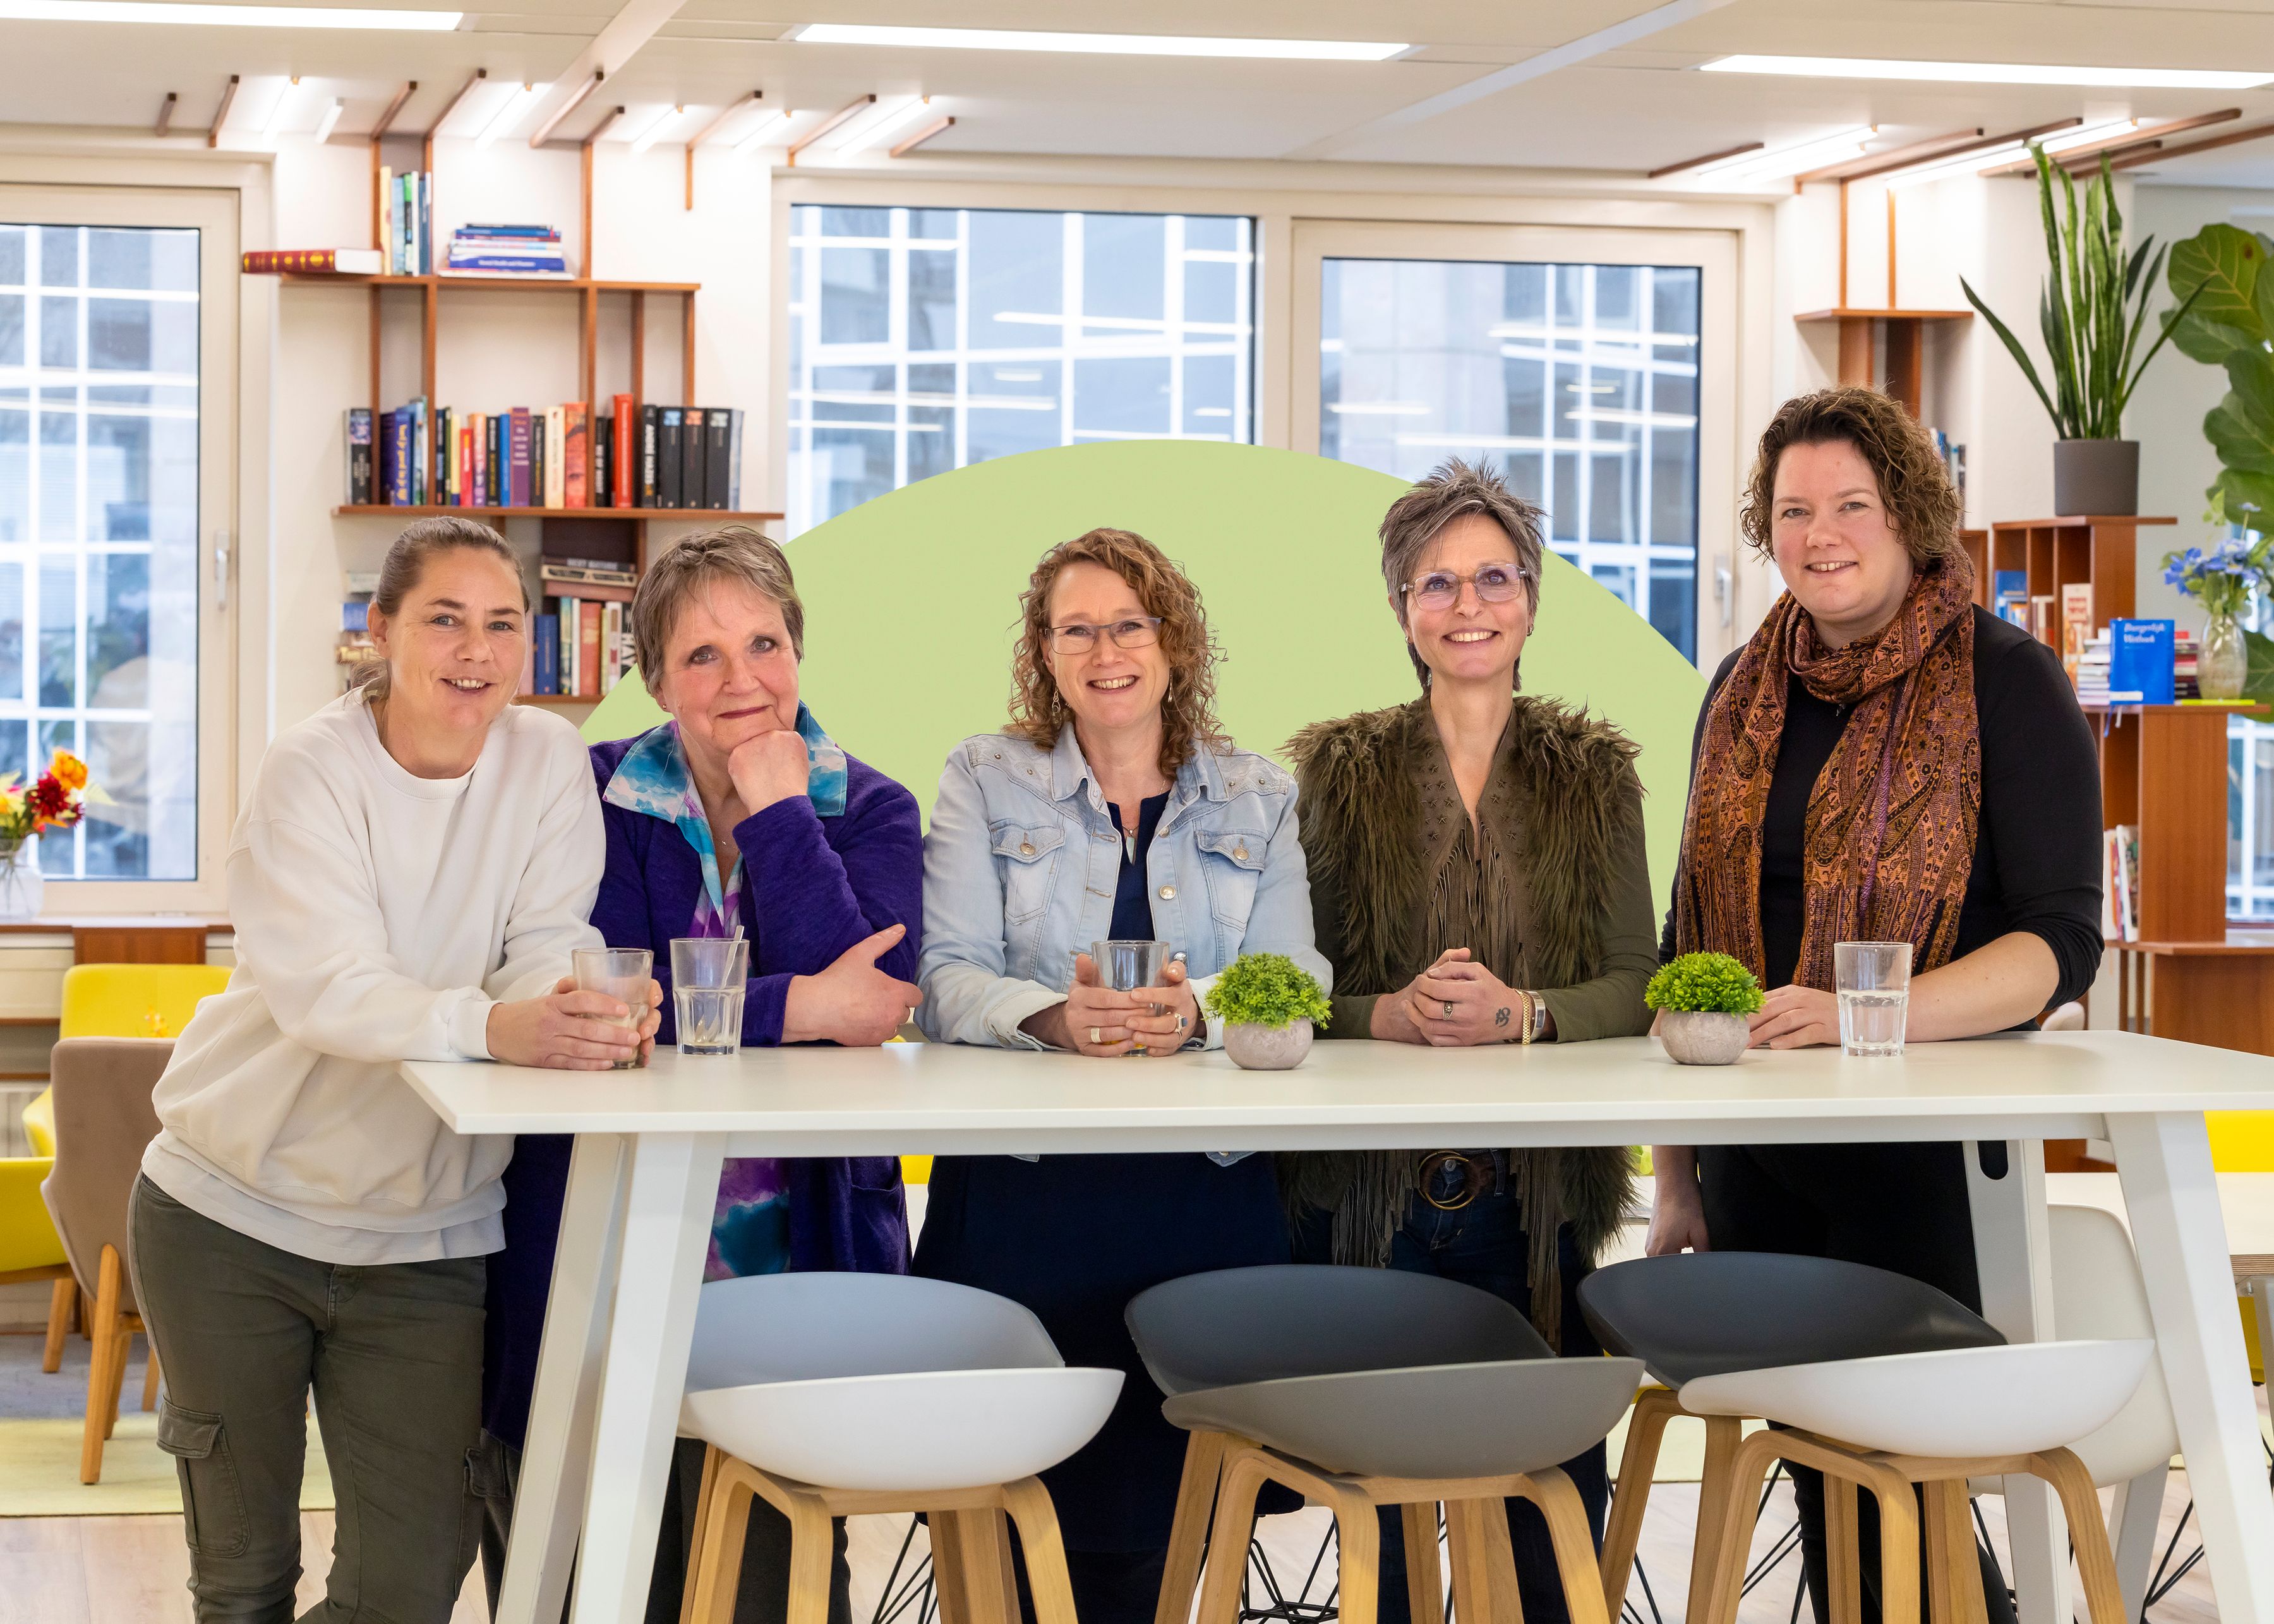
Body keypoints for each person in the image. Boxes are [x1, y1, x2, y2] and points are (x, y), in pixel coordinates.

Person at [129, 517, 657, 1624]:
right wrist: (500, 1025)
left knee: (410, 1586)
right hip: (231, 1220)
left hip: (428, 1239)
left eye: (502, 623)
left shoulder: (548, 760)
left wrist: (578, 1005)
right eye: (445, 619)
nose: (476, 648)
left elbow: (545, 938)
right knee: (243, 1582)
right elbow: (328, 988)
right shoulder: (310, 768)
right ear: (381, 631)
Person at [1649, 387, 2103, 1624]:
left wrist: (1872, 1010)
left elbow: (2060, 944)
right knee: (1823, 1473)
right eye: (1793, 509)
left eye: (1851, 502)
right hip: (1757, 1154)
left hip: (1926, 1156)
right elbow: (1690, 949)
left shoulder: (2009, 683)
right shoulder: (1745, 686)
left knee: (1908, 1476)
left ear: (1910, 513)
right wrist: (1678, 1178)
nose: (1821, 531)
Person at [480, 527, 922, 1624]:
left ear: (801, 653)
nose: (742, 681)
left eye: (765, 645)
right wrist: (798, 1007)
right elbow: (606, 1000)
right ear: (653, 678)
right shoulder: (591, 791)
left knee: (764, 1586)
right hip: (598, 1235)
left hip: (790, 1257)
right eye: (702, 657)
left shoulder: (870, 808)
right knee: (581, 1571)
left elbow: (873, 995)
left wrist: (779, 813)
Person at [915, 527, 1329, 1624]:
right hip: (1023, 1198)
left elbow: (1295, 975)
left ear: (1174, 642)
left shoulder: (1259, 795)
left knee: (1170, 1517)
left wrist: (1201, 1011)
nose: (1106, 651)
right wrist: (1053, 1015)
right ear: (1044, 655)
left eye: (1129, 625)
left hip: (1199, 1196)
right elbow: (942, 974)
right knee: (1011, 1510)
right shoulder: (982, 779)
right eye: (1076, 630)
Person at [1280, 459, 1655, 1624]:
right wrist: (1382, 1014)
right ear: (1402, 610)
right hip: (1366, 1206)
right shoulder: (1336, 774)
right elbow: (1287, 990)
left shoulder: (1597, 776)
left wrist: (1528, 1016)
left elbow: (1639, 982)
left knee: (1545, 1532)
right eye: (1437, 582)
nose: (1469, 604)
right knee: (1382, 1538)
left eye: (1494, 576)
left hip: (1535, 1207)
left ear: (1533, 598)